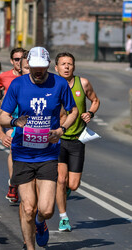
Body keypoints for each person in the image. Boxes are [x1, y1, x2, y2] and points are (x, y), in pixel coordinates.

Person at [0, 47, 78, 249]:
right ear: (29, 65)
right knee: (28, 208)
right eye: (34, 67)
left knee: (46, 209)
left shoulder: (59, 83)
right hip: (23, 153)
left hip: (48, 153)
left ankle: (40, 223)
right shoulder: (18, 85)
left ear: (48, 65)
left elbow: (73, 110)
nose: (38, 71)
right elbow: (2, 117)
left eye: (42, 68)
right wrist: (15, 122)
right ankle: (30, 246)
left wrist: (61, 130)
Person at [55, 52, 100, 232]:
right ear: (56, 67)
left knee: (72, 184)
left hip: (77, 140)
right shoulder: (51, 85)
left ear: (74, 67)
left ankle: (63, 194)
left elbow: (95, 101)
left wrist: (90, 113)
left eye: (70, 64)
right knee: (61, 179)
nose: (66, 67)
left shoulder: (83, 83)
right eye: (63, 64)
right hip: (58, 140)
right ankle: (63, 217)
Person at [0, 47, 25, 201]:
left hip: (34, 125)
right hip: (12, 120)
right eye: (16, 59)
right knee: (13, 150)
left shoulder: (37, 81)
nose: (19, 62)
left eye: (22, 59)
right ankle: (13, 184)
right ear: (12, 61)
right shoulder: (6, 77)